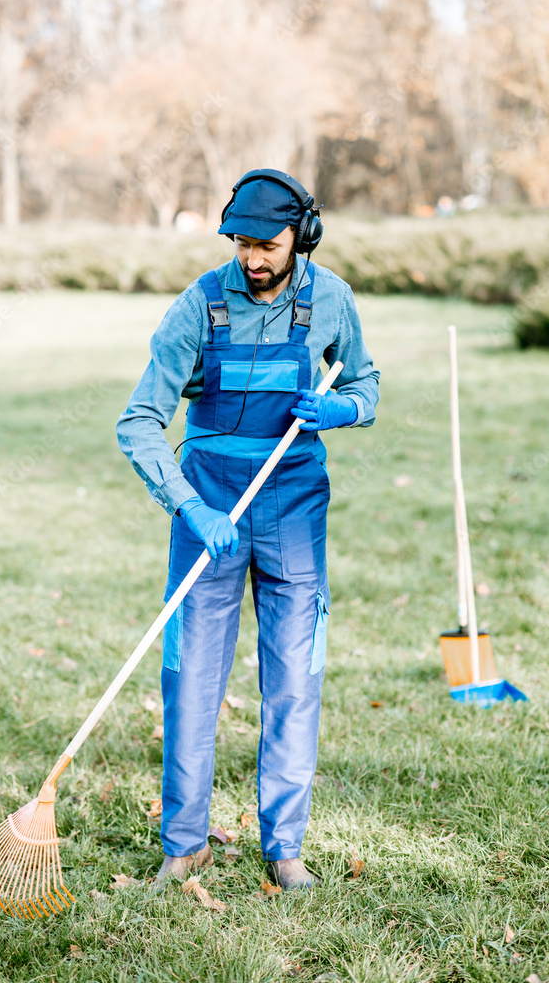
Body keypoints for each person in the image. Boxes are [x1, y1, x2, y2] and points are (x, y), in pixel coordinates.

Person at [117, 169, 380, 890]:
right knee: (191, 675)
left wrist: (343, 411)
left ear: (302, 236)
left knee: (294, 675)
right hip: (208, 502)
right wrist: (187, 506)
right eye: (241, 243)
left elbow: (365, 384)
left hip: (293, 502)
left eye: (266, 243)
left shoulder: (331, 300)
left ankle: (284, 849)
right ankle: (183, 845)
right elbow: (138, 420)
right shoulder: (198, 307)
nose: (252, 257)